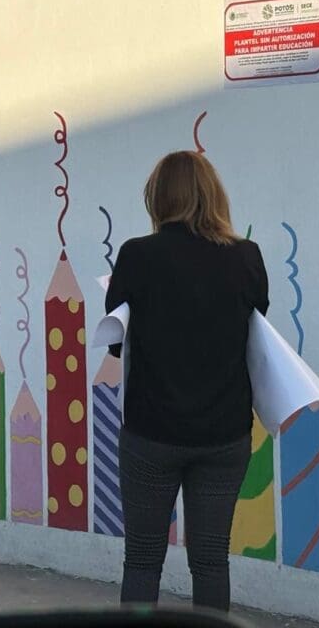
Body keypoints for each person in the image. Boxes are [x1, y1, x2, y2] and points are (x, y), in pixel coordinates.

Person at [105, 150, 269, 612]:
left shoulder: (136, 255)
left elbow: (116, 343)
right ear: (213, 195)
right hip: (224, 434)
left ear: (158, 199)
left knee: (142, 560)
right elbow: (254, 327)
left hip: (151, 433)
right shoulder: (247, 256)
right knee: (212, 561)